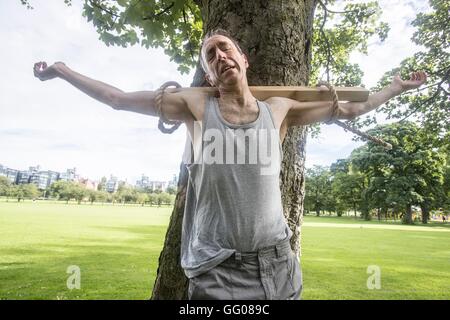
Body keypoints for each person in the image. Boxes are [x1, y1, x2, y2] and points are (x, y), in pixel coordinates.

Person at [33, 29, 427, 300]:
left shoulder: (280, 110)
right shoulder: (194, 106)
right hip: (216, 268)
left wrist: (396, 87)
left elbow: (352, 108)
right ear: (208, 72)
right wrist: (62, 71)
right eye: (211, 55)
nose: (220, 56)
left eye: (225, 49)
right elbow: (117, 98)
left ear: (243, 59)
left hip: (277, 264)